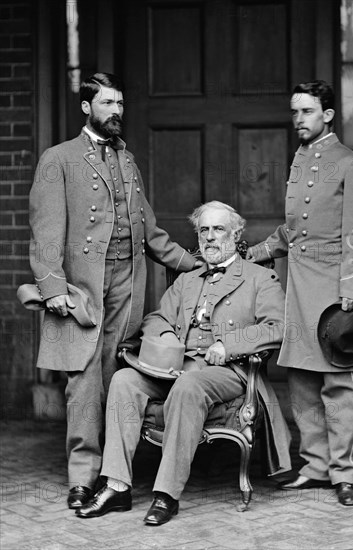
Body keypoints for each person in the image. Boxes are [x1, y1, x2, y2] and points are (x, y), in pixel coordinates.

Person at [28, 72, 200, 509]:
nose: (117, 111)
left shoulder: (128, 161)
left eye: (120, 104)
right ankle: (82, 477)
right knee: (84, 383)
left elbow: (152, 233)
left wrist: (195, 264)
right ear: (86, 107)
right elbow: (45, 233)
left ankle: (114, 476)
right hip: (83, 287)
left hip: (128, 283)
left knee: (117, 377)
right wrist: (52, 288)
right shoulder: (59, 159)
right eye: (107, 104)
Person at [75, 201, 291, 524]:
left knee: (189, 386)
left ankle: (166, 495)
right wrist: (166, 341)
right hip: (177, 368)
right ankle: (117, 485)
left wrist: (229, 344)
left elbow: (277, 327)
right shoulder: (187, 281)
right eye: (204, 230)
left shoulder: (259, 278)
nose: (210, 237)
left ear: (236, 233)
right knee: (123, 381)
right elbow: (157, 318)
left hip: (228, 372)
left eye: (219, 229)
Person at [246, 80, 353, 506]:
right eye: (294, 112)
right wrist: (256, 252)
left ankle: (346, 473)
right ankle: (315, 466)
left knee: (340, 385)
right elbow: (295, 232)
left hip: (335, 291)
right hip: (301, 288)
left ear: (327, 115)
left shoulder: (352, 165)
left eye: (306, 112)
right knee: (303, 383)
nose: (298, 120)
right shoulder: (301, 161)